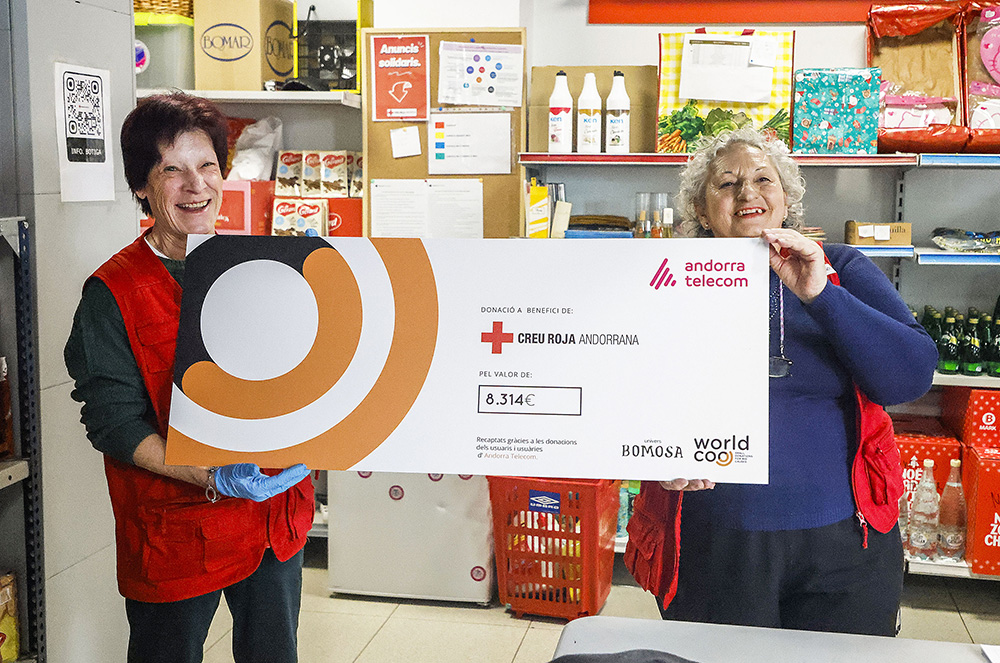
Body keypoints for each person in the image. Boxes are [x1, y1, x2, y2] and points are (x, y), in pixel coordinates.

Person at [624, 126, 937, 637]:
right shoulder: (664, 278)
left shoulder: (840, 266)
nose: (747, 192)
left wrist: (822, 294)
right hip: (714, 541)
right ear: (702, 210)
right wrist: (652, 454)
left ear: (786, 198)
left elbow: (908, 377)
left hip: (845, 543)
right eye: (727, 183)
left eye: (763, 179)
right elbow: (620, 390)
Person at [64, 92, 314, 663]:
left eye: (206, 165)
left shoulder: (264, 269)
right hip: (176, 534)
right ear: (141, 187)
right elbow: (115, 424)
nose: (195, 185)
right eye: (171, 170)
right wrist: (213, 477)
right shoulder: (113, 294)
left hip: (271, 518)